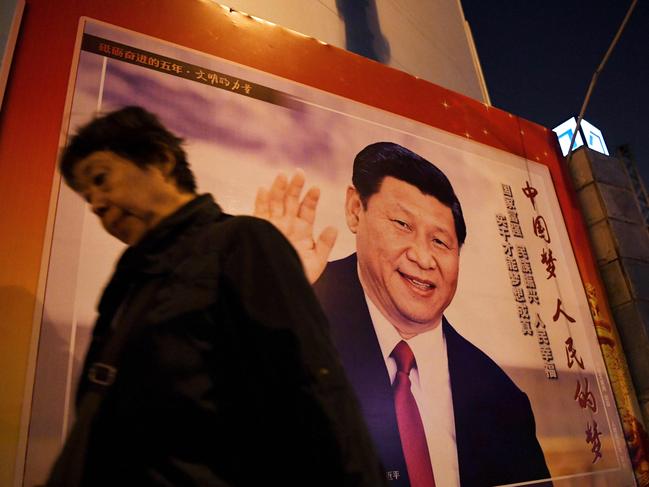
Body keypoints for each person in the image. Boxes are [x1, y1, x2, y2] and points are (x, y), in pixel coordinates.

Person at [47, 106, 386, 487]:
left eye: (101, 178)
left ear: (160, 159)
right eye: (87, 195)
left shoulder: (240, 242)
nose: (96, 202)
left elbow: (313, 386)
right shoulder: (129, 282)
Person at [255, 142, 551, 487]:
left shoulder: (501, 397)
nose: (423, 258)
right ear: (355, 210)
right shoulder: (291, 316)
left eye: (441, 242)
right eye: (402, 224)